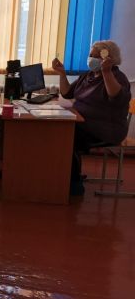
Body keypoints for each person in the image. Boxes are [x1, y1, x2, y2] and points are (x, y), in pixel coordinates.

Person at [52, 40, 131, 195]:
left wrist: (106, 72)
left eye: (96, 56)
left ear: (108, 59)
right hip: (84, 123)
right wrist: (62, 73)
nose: (91, 59)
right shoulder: (88, 75)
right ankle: (65, 175)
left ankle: (74, 184)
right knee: (63, 130)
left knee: (67, 137)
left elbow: (116, 97)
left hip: (106, 130)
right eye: (90, 55)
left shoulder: (117, 77)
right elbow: (67, 93)